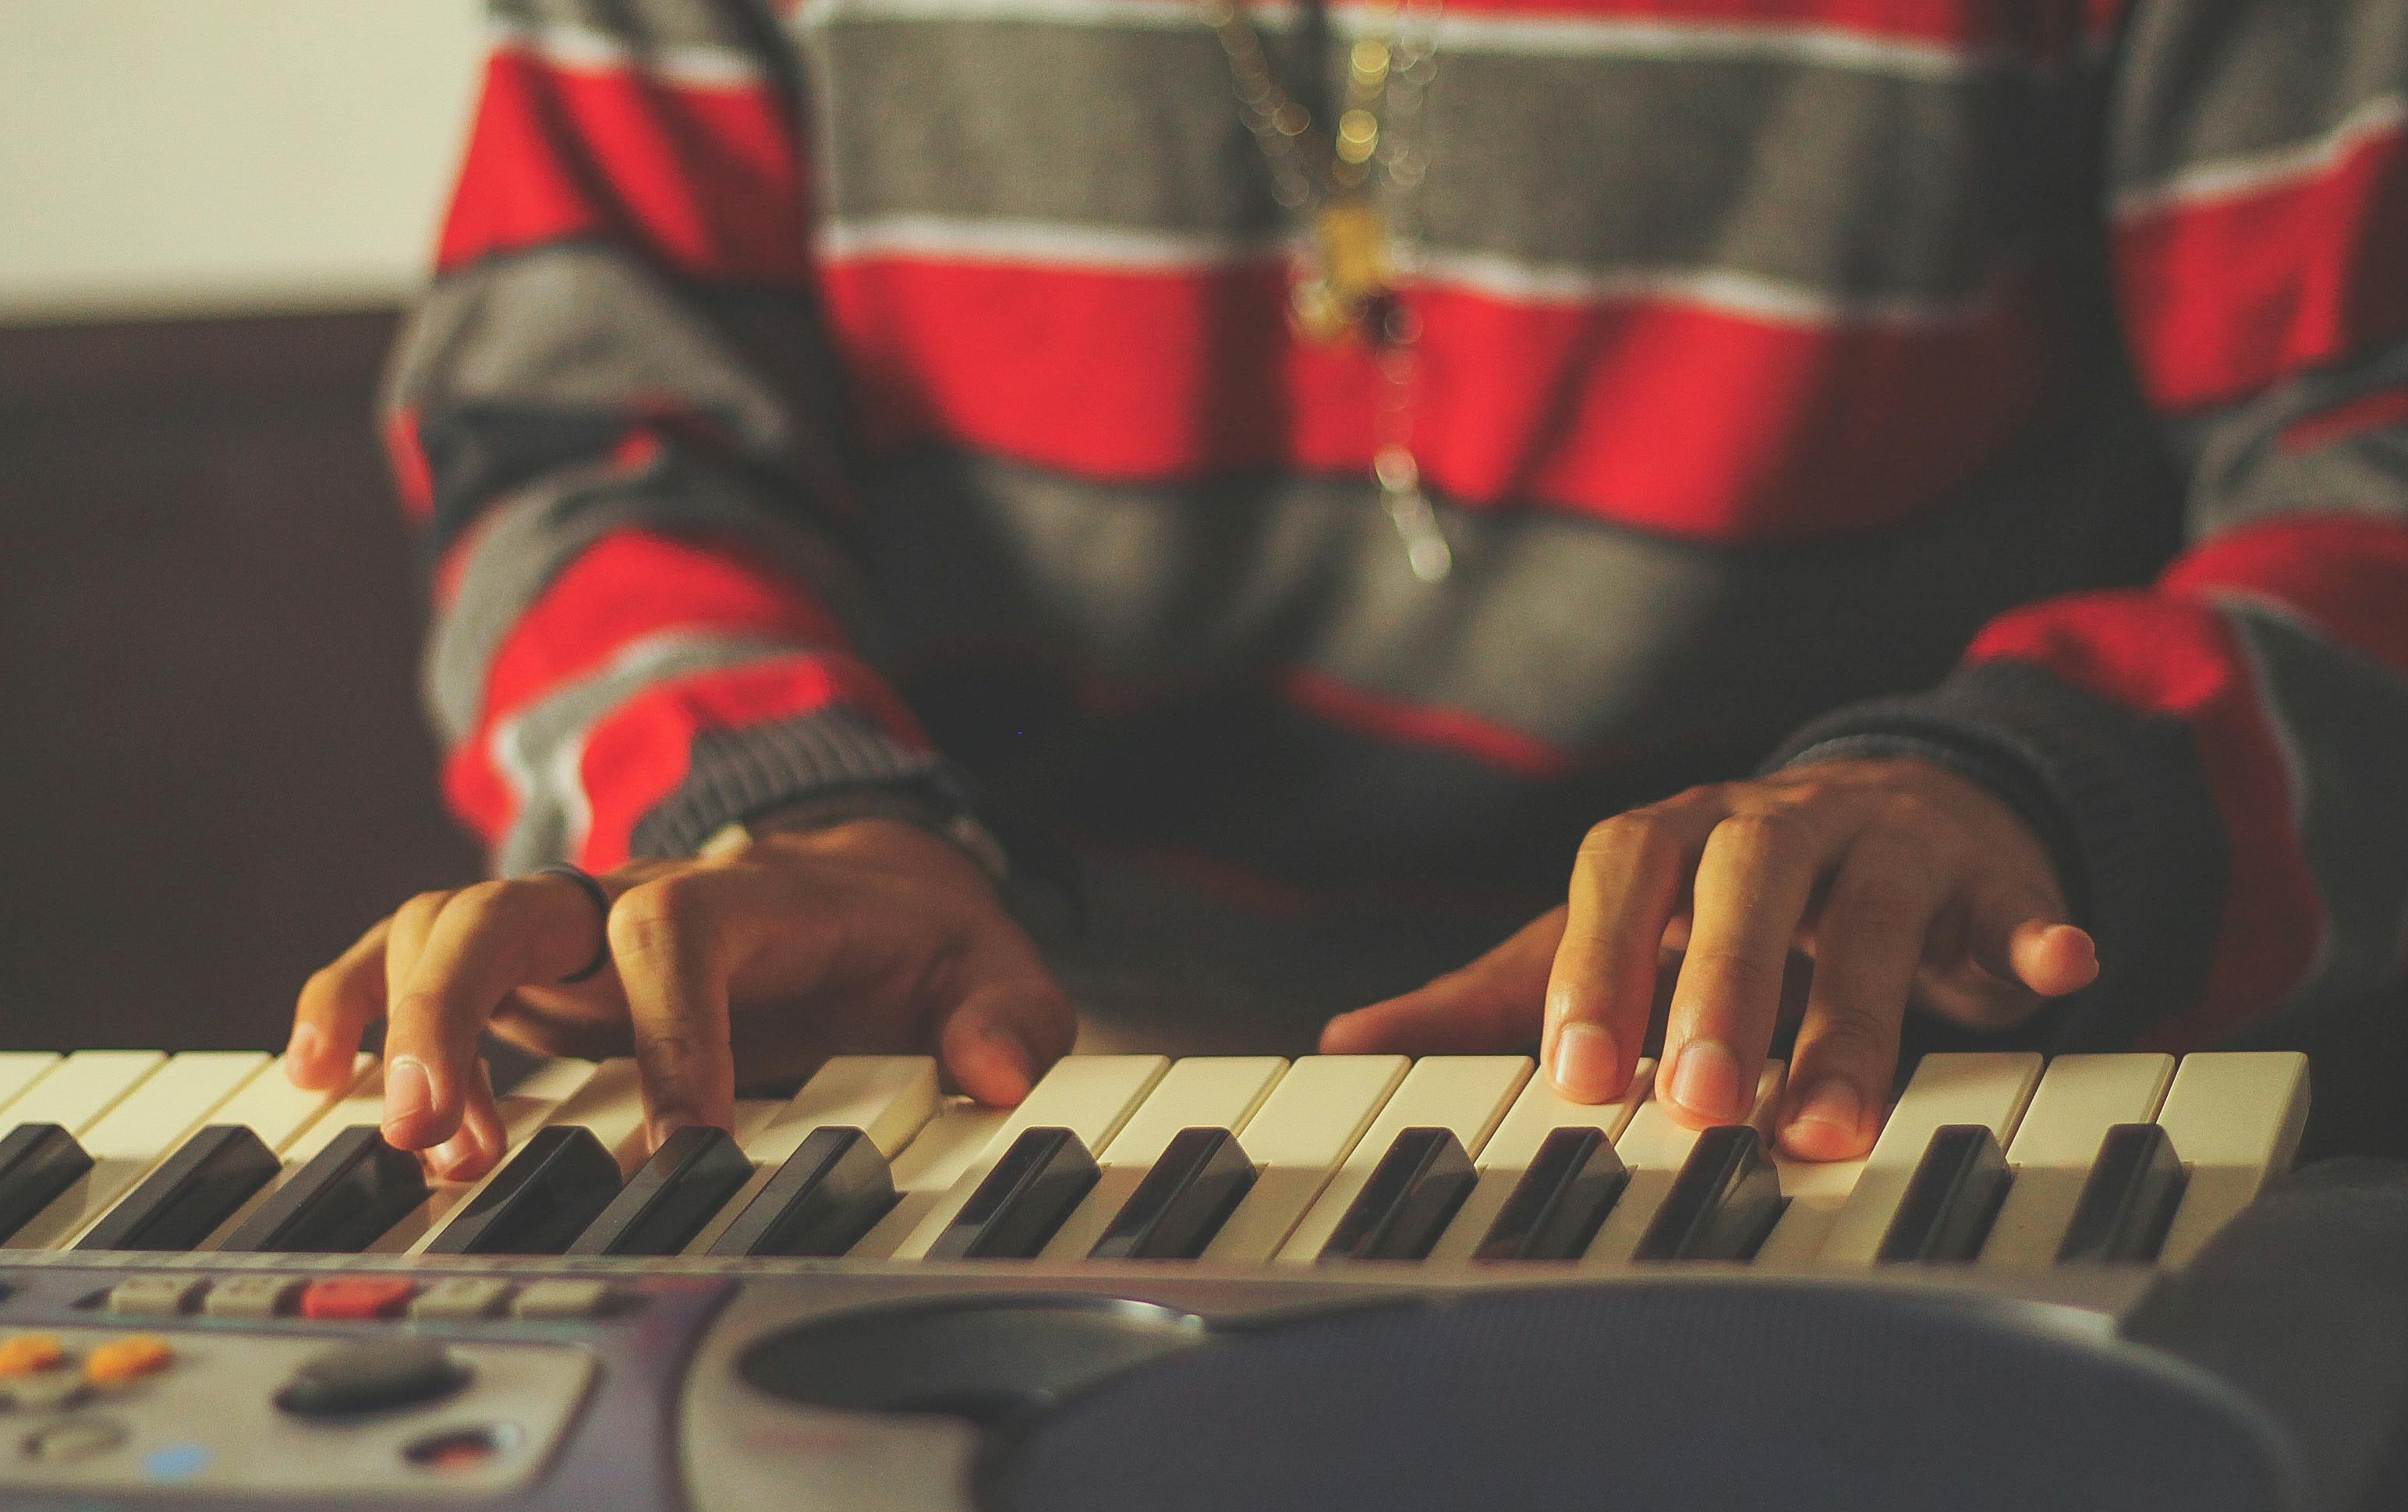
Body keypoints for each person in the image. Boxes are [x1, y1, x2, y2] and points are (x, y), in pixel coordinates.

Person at [286, 0, 2408, 1184]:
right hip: (980, 1120)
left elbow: (2371, 450)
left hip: (1925, 1106)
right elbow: (577, 432)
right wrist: (782, 804)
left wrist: (2028, 791)